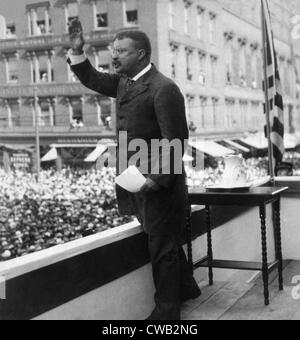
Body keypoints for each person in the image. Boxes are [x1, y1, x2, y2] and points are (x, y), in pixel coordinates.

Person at [67, 19, 201, 320]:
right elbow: (92, 78)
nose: (113, 57)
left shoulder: (164, 88)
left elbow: (176, 140)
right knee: (160, 238)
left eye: (121, 52)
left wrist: (155, 179)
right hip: (134, 183)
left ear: (141, 55)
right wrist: (78, 52)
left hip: (160, 187)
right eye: (113, 50)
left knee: (161, 248)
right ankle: (188, 286)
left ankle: (167, 312)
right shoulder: (124, 82)